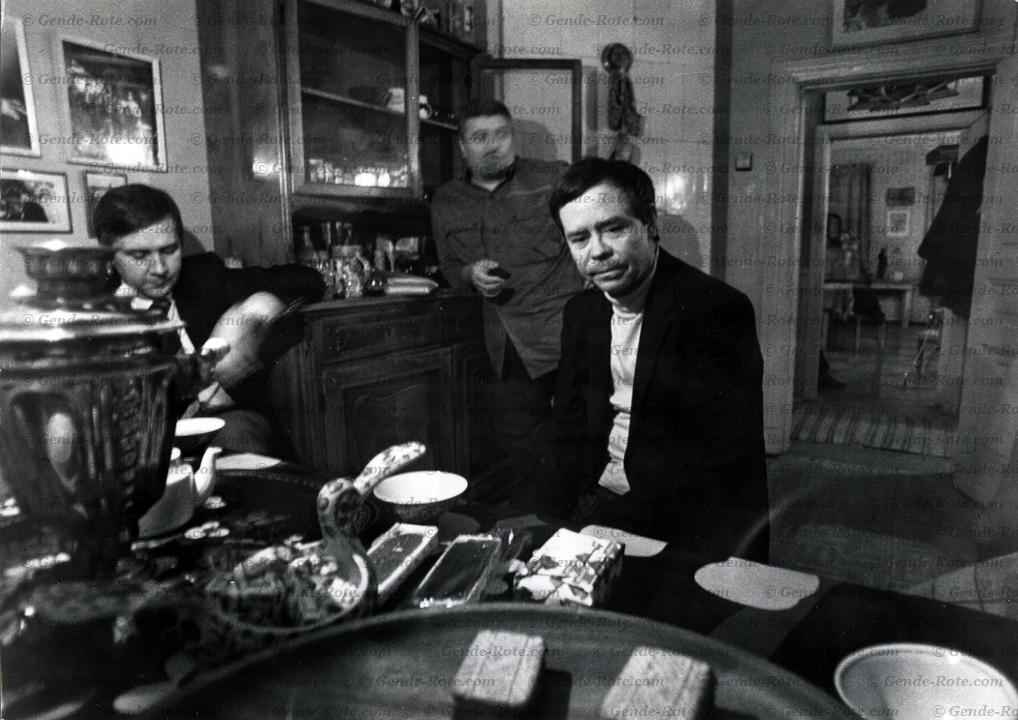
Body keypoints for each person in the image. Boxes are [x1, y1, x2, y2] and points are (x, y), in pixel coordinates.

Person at [547, 158, 769, 560]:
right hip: (600, 499)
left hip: (687, 520)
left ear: (649, 223)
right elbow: (566, 429)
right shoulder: (581, 312)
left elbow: (714, 463)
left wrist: (595, 532)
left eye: (613, 229)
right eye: (579, 238)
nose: (598, 250)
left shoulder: (716, 310)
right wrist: (540, 519)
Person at [93, 184, 325, 459]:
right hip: (144, 445)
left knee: (238, 433)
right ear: (108, 256)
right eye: (140, 256)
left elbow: (307, 279)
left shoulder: (205, 276)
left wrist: (257, 306)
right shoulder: (93, 313)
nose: (160, 269)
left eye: (169, 250)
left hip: (228, 427)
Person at [430, 99, 585, 507]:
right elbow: (450, 266)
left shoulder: (553, 178)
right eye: (479, 137)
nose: (493, 145)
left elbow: (592, 229)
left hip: (565, 332)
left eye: (501, 134)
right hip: (507, 346)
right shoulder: (446, 200)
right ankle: (544, 521)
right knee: (521, 442)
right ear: (463, 147)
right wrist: (469, 275)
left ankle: (580, 521)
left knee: (580, 434)